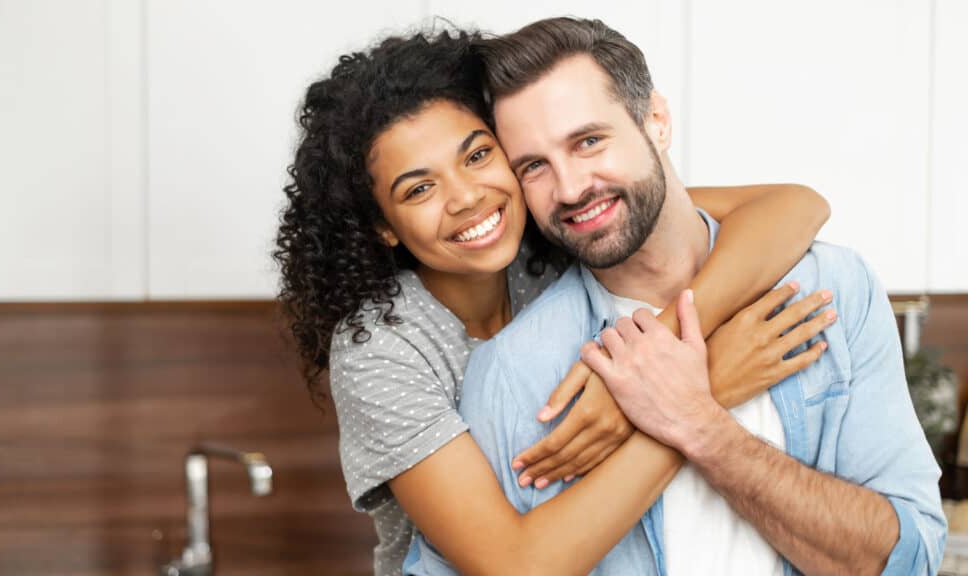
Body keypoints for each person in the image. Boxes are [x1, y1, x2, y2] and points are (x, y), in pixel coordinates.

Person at [275, 30, 832, 576]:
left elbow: (795, 205)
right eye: (419, 189)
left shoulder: (554, 235)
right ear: (384, 228)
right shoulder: (382, 348)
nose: (467, 197)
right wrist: (696, 399)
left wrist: (670, 341)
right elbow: (515, 565)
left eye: (477, 155)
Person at [414, 17, 946, 576]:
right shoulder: (514, 372)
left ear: (657, 122)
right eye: (535, 167)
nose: (570, 188)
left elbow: (907, 561)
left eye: (589, 141)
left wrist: (702, 426)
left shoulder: (831, 290)